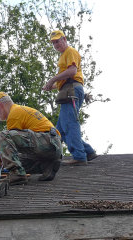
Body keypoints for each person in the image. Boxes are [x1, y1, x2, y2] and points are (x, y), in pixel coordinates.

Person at [43, 30, 97, 166]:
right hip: (67, 90)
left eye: (58, 41)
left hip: (72, 90)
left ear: (64, 39)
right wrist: (52, 85)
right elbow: (64, 79)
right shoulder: (62, 56)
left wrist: (52, 79)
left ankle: (79, 156)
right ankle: (88, 151)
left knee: (71, 124)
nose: (56, 44)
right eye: (54, 42)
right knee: (60, 130)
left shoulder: (70, 51)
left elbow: (72, 72)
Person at [0, 91, 62, 185]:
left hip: (46, 141)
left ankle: (17, 175)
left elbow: (8, 145)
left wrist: (0, 160)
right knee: (18, 162)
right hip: (53, 146)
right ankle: (47, 166)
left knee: (4, 135)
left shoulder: (14, 114)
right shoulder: (19, 110)